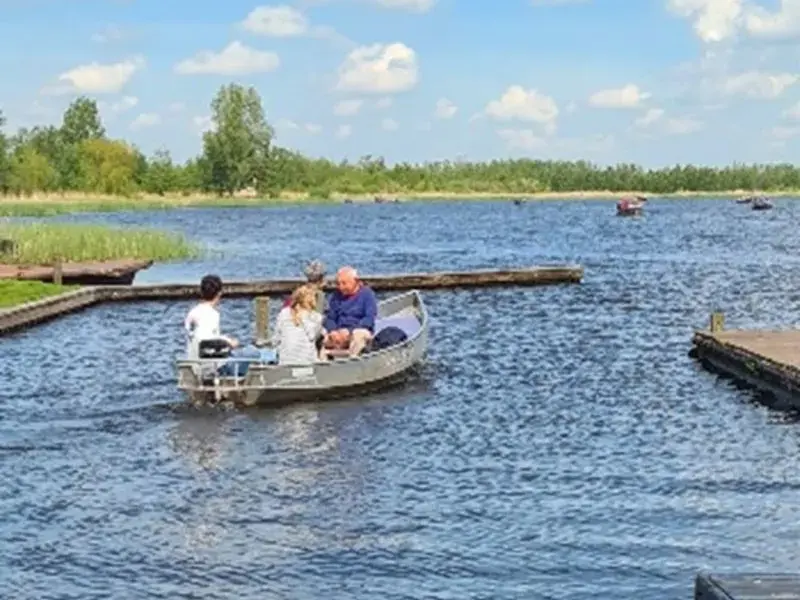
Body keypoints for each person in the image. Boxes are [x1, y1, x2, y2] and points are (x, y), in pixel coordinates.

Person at [184, 274, 273, 376]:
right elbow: (209, 342)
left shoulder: (192, 313)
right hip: (215, 367)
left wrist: (224, 340)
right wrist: (229, 342)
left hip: (195, 363)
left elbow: (202, 336)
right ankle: (278, 358)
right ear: (219, 293)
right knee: (253, 352)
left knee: (247, 352)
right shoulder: (212, 314)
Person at [321, 266, 377, 357]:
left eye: (344, 283)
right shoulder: (336, 296)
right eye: (338, 284)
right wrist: (333, 331)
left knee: (358, 335)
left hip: (358, 330)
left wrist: (349, 331)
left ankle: (352, 361)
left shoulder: (367, 295)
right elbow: (330, 317)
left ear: (355, 282)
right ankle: (321, 362)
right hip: (339, 332)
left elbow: (369, 319)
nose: (341, 287)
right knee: (322, 333)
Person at [272, 284, 324, 365]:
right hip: (308, 363)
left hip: (285, 362)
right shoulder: (316, 317)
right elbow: (313, 336)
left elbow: (275, 340)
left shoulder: (283, 313)